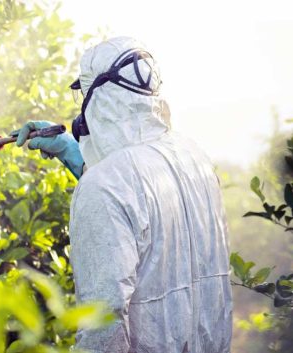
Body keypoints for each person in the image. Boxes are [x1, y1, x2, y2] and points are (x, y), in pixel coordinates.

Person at [15, 36, 232, 353]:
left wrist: (92, 177)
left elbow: (104, 327)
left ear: (97, 99)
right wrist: (76, 155)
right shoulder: (193, 158)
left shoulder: (105, 187)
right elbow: (144, 207)